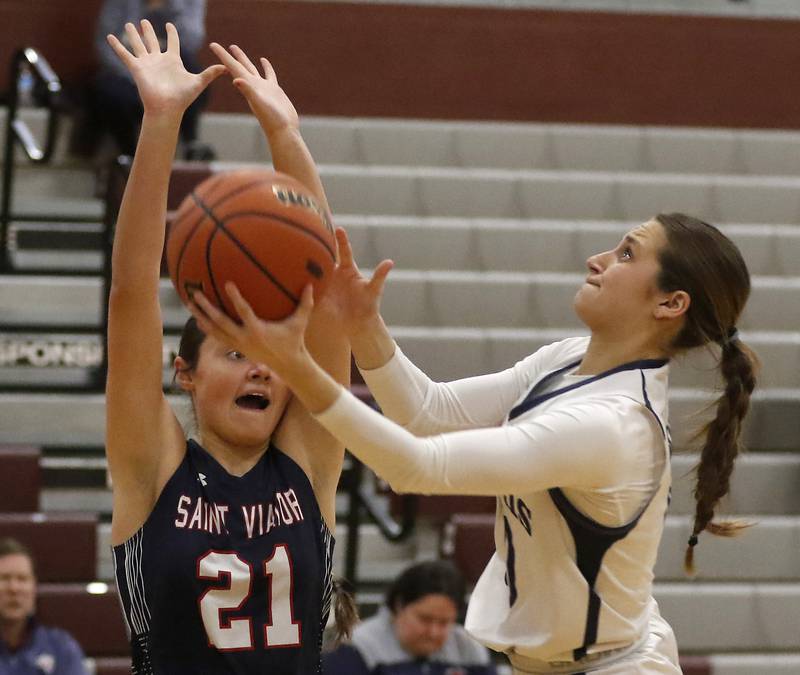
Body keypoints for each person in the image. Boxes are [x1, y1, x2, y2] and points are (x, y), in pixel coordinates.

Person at [189, 212, 758, 674]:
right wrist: (363, 326)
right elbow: (428, 414)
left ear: (670, 304)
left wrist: (302, 369)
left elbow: (416, 467)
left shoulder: (612, 426)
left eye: (628, 253)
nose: (600, 259)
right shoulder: (567, 360)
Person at [104, 20, 351, 673]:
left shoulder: (308, 463)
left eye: (272, 360)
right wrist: (161, 123)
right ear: (184, 372)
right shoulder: (150, 469)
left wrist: (285, 137)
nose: (262, 373)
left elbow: (325, 296)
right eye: (235, 353)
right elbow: (131, 294)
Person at [324, 560, 497, 675]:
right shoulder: (358, 647)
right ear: (399, 606)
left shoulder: (469, 648)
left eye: (444, 622)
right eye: (425, 619)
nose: (433, 632)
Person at [89, 0, 213, 160]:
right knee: (107, 90)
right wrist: (136, 74)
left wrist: (171, 7)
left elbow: (191, 42)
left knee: (193, 72)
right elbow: (104, 44)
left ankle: (191, 143)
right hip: (128, 73)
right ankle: (129, 153)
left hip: (168, 74)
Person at [0, 538, 88, 675]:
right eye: (4, 578)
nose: (14, 589)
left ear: (34, 588)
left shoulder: (61, 648)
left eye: (22, 579)